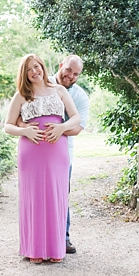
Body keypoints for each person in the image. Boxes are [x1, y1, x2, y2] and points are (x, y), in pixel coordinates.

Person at [4, 54, 80, 263]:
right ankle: (34, 249)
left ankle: (56, 249)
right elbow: (8, 125)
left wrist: (62, 127)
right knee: (33, 197)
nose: (34, 72)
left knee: (57, 196)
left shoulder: (59, 90)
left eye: (36, 66)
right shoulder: (21, 95)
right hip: (31, 151)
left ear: (43, 67)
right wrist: (25, 132)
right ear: (24, 74)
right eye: (29, 69)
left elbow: (76, 117)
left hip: (57, 150)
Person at [50, 55, 89, 254]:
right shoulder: (42, 84)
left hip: (65, 153)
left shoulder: (80, 95)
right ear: (61, 66)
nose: (71, 76)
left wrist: (56, 130)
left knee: (60, 196)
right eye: (68, 71)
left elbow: (79, 127)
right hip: (38, 151)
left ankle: (63, 238)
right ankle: (42, 239)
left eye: (76, 74)